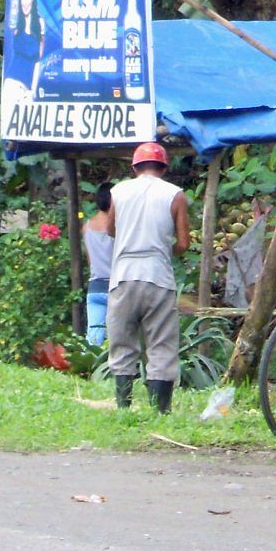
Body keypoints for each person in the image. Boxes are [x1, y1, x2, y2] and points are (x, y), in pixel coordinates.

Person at [106, 140, 190, 412]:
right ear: (164, 168)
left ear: (135, 168)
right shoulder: (175, 195)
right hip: (158, 276)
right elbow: (183, 243)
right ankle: (160, 409)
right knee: (161, 343)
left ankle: (123, 405)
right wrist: (165, 249)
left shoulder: (118, 191)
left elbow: (111, 230)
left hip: (123, 275)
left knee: (122, 341)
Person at [83, 183, 113, 347]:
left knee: (94, 339)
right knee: (121, 336)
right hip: (117, 288)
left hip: (94, 287)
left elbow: (90, 261)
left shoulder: (86, 227)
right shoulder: (118, 227)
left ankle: (88, 363)